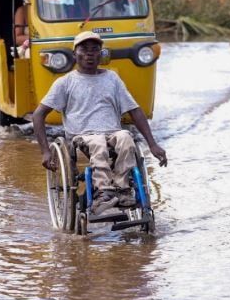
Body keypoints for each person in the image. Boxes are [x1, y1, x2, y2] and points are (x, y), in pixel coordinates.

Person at [33, 31, 167, 216]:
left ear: (101, 54)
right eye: (84, 50)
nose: (89, 54)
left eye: (95, 50)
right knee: (97, 143)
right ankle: (103, 192)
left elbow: (134, 110)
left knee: (126, 138)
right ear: (75, 55)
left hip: (112, 132)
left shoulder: (112, 79)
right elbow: (38, 115)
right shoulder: (64, 83)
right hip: (81, 134)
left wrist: (153, 144)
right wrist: (46, 151)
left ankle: (122, 189)